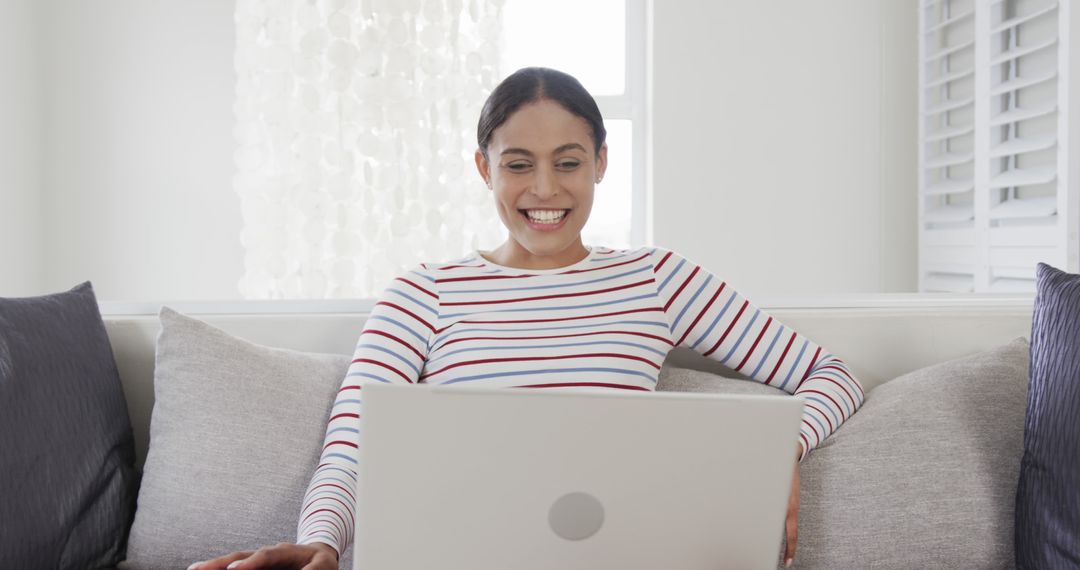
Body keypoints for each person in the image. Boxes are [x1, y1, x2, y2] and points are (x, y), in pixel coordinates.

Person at [190, 67, 864, 570]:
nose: (544, 190)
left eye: (568, 163)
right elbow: (352, 447)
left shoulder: (657, 280)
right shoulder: (423, 293)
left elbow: (829, 373)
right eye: (518, 165)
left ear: (601, 163)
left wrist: (779, 452)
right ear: (483, 168)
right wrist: (321, 543)